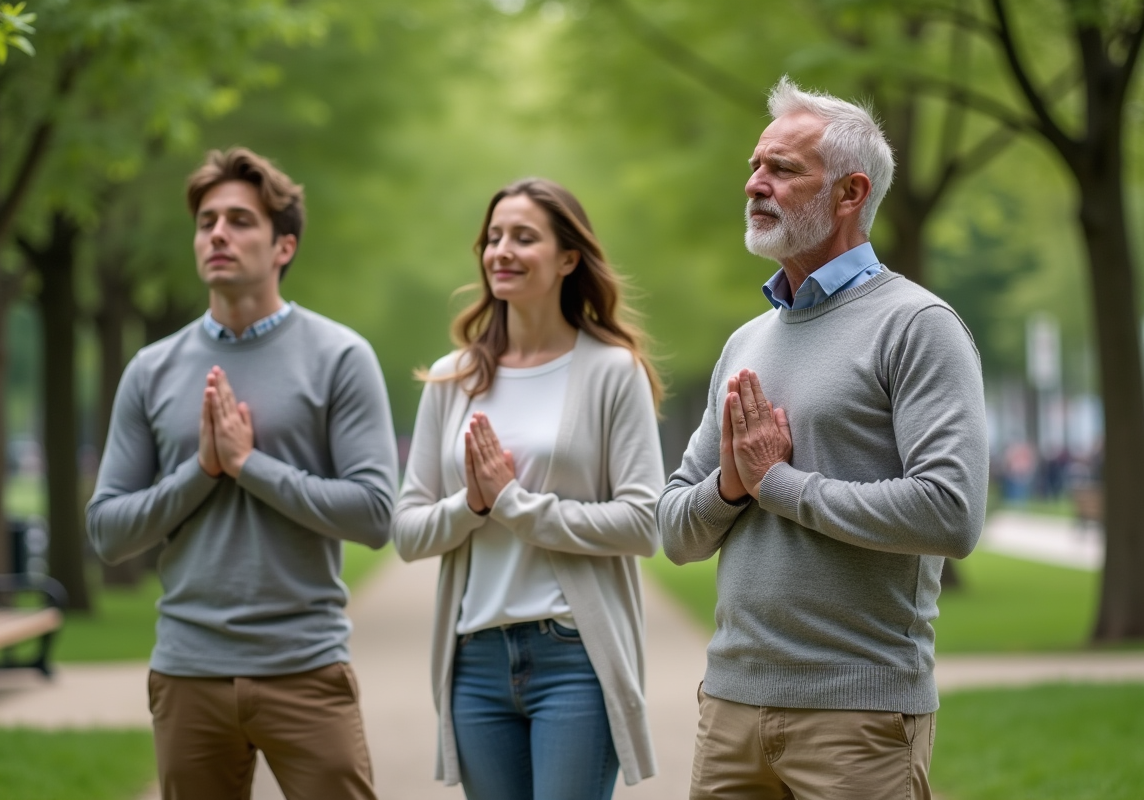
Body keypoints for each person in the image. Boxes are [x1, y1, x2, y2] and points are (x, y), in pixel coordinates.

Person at [657, 77, 989, 800]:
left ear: (849, 193)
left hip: (858, 716)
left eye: (782, 169)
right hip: (730, 709)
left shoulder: (917, 325)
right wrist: (731, 487)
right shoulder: (745, 342)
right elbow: (676, 532)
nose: (755, 184)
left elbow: (951, 513)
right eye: (755, 165)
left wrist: (778, 485)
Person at [86, 147, 398, 800]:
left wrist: (250, 465)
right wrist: (203, 470)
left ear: (284, 245)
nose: (218, 234)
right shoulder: (150, 369)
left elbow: (374, 515)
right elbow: (108, 532)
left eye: (239, 220)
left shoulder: (341, 357)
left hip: (306, 670)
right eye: (206, 222)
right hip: (187, 673)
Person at [392, 178, 665, 800]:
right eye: (493, 238)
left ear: (569, 258)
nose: (502, 252)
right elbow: (407, 532)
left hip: (574, 656)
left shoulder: (611, 370)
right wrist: (474, 504)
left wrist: (515, 505)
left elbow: (645, 522)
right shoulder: (450, 378)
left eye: (523, 237)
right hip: (475, 661)